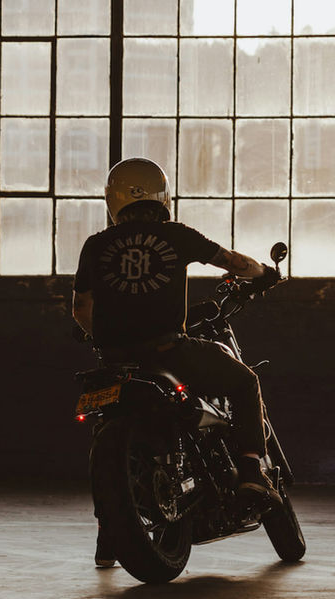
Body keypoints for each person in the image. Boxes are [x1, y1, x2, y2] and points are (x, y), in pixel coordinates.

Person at [72, 157, 281, 568]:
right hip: (168, 351)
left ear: (113, 201)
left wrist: (106, 341)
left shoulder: (95, 245)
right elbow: (232, 263)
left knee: (103, 426)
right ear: (163, 196)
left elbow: (81, 308)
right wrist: (262, 273)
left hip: (117, 363)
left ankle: (106, 533)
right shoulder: (176, 235)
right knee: (244, 382)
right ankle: (251, 472)